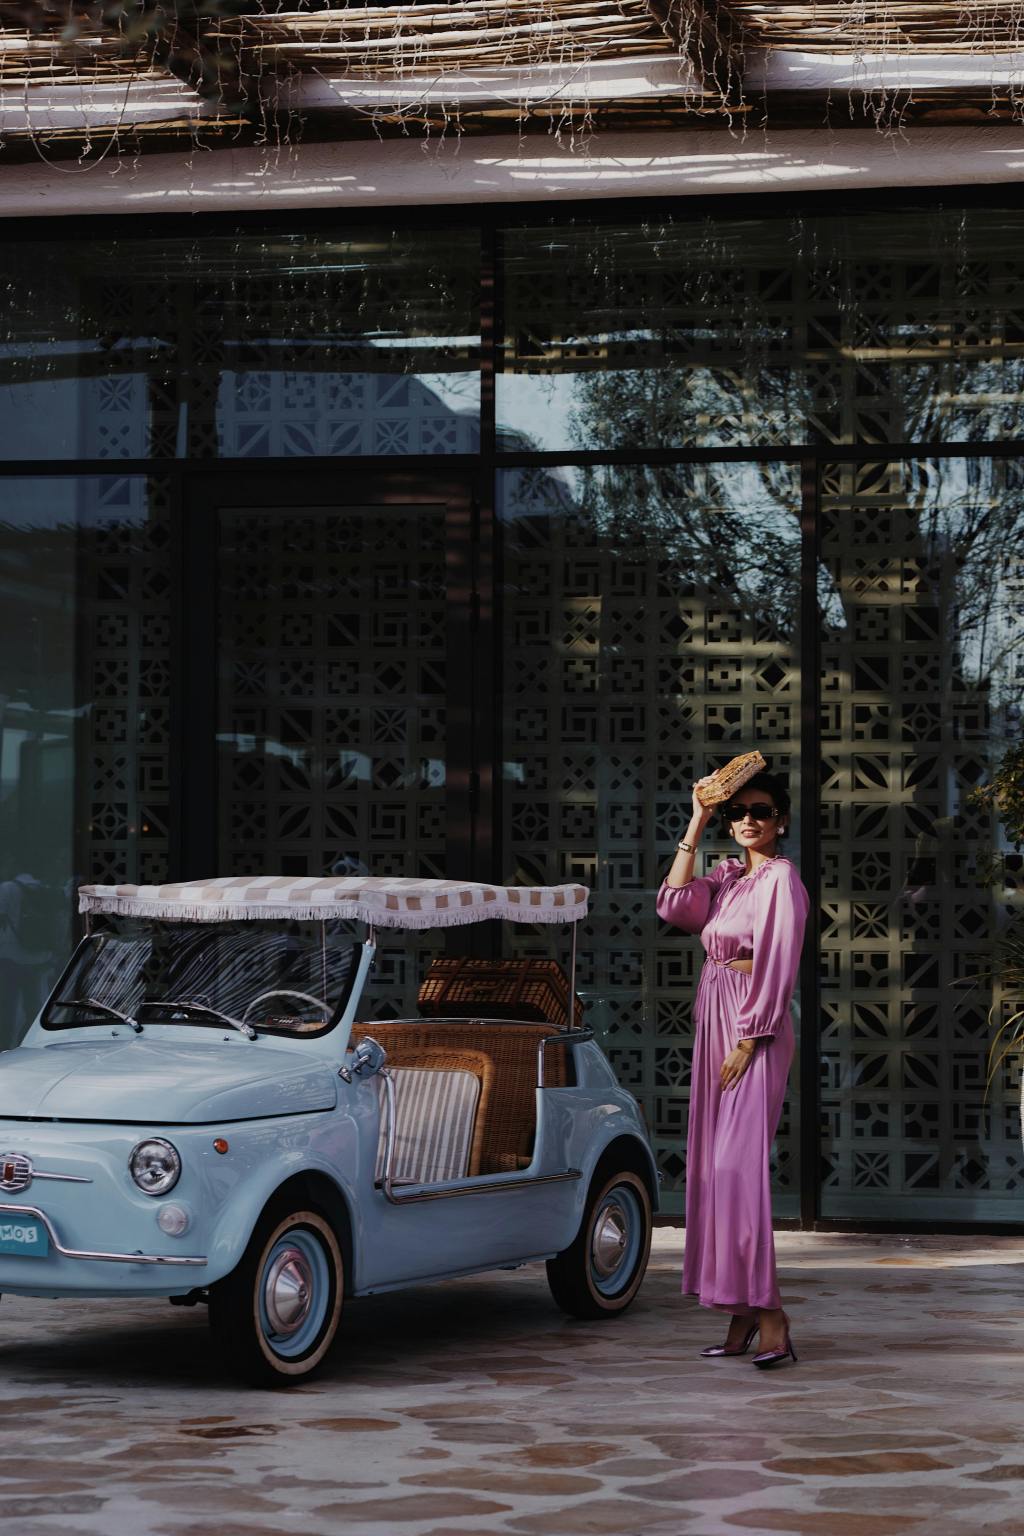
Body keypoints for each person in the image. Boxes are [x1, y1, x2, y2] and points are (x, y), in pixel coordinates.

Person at [656, 770, 809, 1369]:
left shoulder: (781, 879)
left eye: (761, 811)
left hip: (753, 1027)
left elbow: (779, 961)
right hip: (713, 1019)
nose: (748, 820)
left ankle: (770, 1315)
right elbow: (673, 906)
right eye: (737, 813)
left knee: (736, 1170)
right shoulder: (725, 878)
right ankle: (740, 1311)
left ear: (781, 821)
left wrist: (751, 1037)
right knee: (714, 1171)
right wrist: (697, 818)